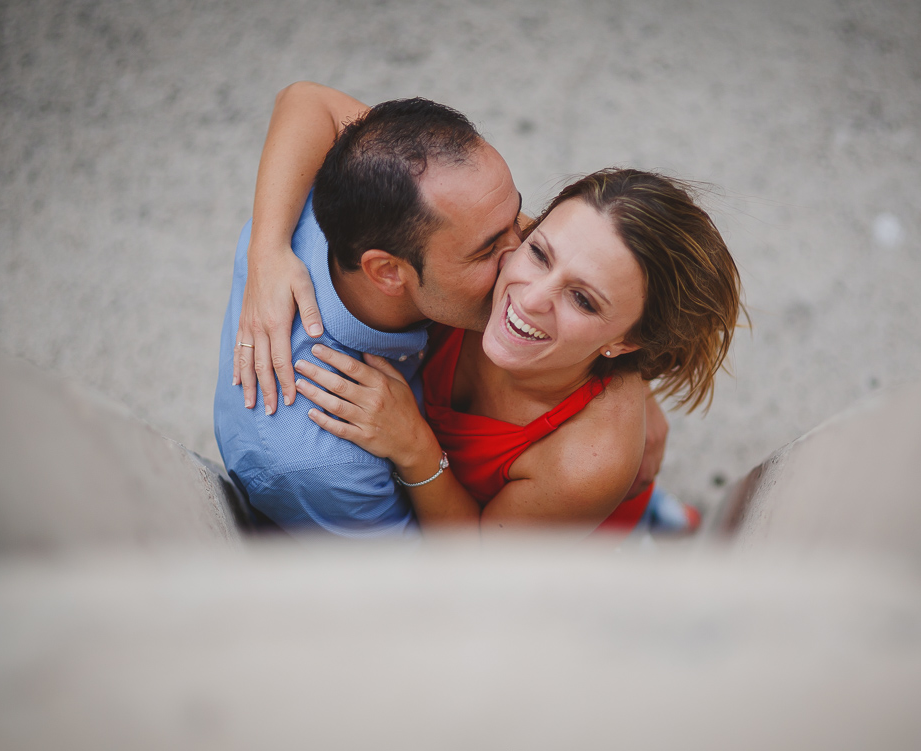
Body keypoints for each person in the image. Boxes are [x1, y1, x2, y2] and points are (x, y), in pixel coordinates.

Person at [214, 83, 671, 536]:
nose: (520, 262)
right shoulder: (326, 464)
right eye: (489, 248)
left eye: (517, 221)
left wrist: (267, 248)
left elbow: (305, 98)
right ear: (389, 272)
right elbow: (447, 585)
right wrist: (416, 449)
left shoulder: (372, 189)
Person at [292, 167, 741, 535]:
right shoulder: (497, 246)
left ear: (624, 342)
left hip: (561, 532)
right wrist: (268, 252)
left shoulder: (588, 459)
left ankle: (645, 522)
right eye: (540, 254)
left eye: (582, 299)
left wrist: (414, 446)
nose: (529, 299)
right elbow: (313, 104)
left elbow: (485, 571)